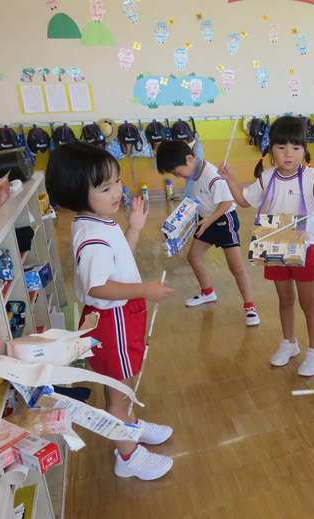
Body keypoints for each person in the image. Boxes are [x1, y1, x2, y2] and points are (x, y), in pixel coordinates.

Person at [46, 142, 176, 481]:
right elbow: (98, 287)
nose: (117, 191)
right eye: (105, 188)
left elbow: (118, 264)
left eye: (117, 181)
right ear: (77, 193)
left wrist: (133, 227)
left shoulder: (100, 221)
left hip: (122, 312)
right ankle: (128, 456)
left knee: (122, 384)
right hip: (113, 317)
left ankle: (129, 423)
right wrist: (145, 290)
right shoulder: (92, 236)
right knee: (119, 390)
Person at [220, 115, 314, 376]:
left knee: (307, 301)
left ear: (304, 150)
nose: (288, 154)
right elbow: (245, 201)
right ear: (271, 150)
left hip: (305, 247)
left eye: (295, 147)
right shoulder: (267, 177)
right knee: (285, 299)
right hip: (275, 244)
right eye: (281, 147)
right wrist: (231, 179)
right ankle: (289, 342)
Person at [156, 140, 259, 326]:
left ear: (189, 158)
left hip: (224, 220)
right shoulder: (192, 174)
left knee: (236, 267)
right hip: (206, 221)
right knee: (193, 257)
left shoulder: (210, 174)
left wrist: (209, 220)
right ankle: (207, 292)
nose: (178, 176)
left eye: (178, 172)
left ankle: (250, 307)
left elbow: (227, 202)